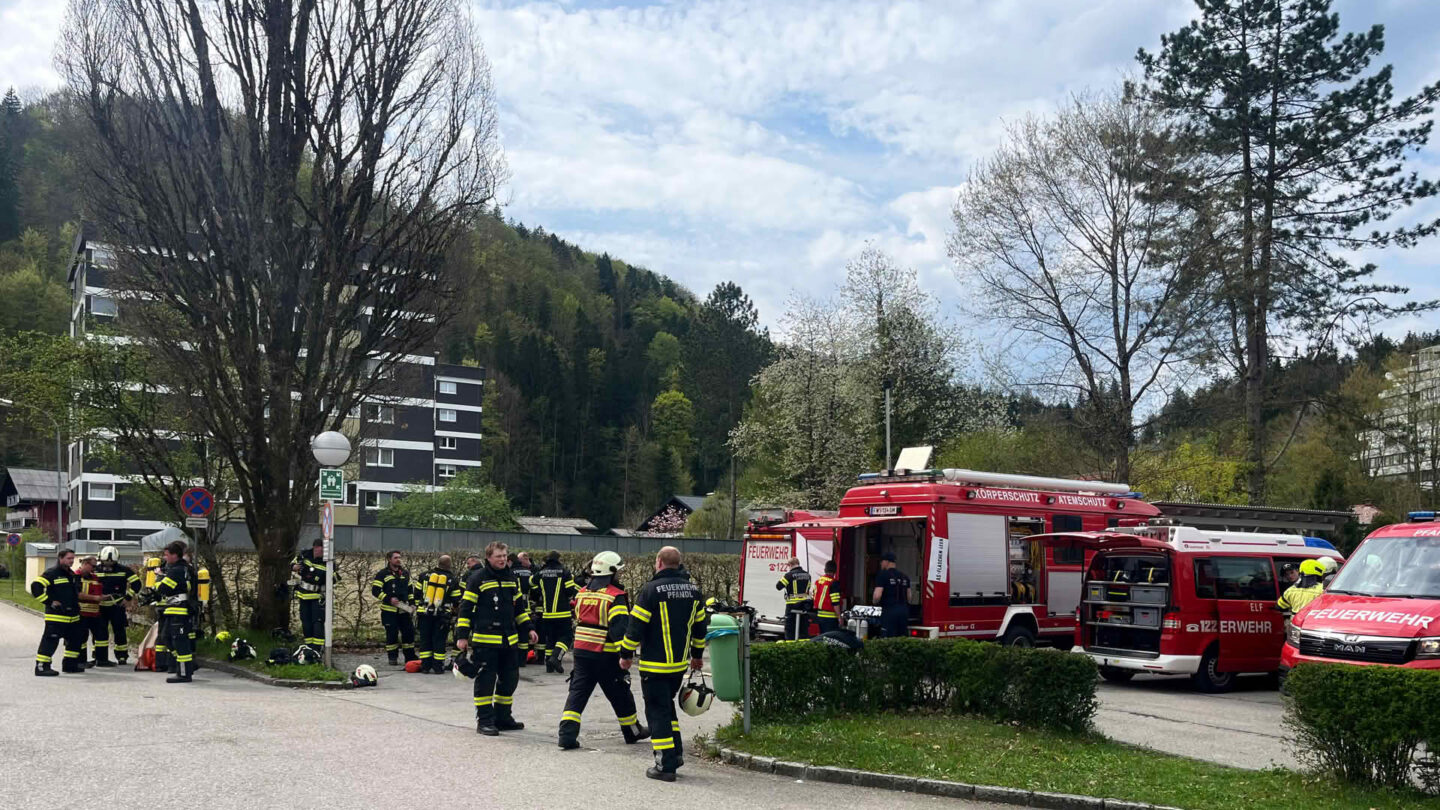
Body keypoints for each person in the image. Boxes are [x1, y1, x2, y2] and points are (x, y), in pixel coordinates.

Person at [619, 546, 708, 783]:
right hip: (678, 667)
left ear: (659, 562)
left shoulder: (651, 590)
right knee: (667, 709)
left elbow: (635, 626)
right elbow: (700, 629)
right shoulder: (694, 591)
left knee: (657, 713)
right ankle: (676, 754)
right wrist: (697, 655)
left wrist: (625, 654)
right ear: (679, 564)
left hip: (654, 666)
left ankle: (664, 765)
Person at [558, 551, 648, 750]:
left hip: (581, 651)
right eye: (620, 572)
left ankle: (566, 735)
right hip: (605, 654)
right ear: (612, 572)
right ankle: (632, 732)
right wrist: (625, 655)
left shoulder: (582, 592)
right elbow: (618, 629)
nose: (621, 576)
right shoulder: (615, 597)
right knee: (620, 693)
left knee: (577, 693)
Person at [455, 542, 538, 736]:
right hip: (486, 640)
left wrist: (529, 629)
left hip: (509, 640)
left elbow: (518, 609)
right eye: (498, 556)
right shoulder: (478, 578)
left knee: (510, 680)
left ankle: (502, 717)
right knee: (486, 681)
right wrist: (462, 636)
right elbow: (465, 609)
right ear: (489, 558)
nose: (502, 559)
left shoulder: (510, 577)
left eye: (504, 555)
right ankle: (484, 721)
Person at [32, 548, 83, 676]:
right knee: (50, 642)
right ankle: (42, 667)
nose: (72, 561)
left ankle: (70, 665)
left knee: (75, 641)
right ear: (60, 558)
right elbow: (36, 587)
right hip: (57, 617)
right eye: (69, 558)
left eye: (73, 558)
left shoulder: (71, 575)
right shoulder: (52, 573)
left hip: (73, 617)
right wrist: (49, 602)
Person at [156, 540, 196, 683]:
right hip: (175, 610)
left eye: (167, 555)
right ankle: (189, 666)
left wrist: (159, 575)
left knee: (180, 642)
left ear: (175, 555)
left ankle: (184, 673)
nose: (165, 558)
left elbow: (162, 589)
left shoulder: (177, 570)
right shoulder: (185, 568)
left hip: (180, 611)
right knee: (166, 637)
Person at [371, 550, 420, 665]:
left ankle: (410, 657)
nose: (398, 559)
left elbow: (410, 590)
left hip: (404, 610)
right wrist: (389, 599)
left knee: (408, 633)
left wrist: (412, 603)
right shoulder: (383, 574)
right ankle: (392, 658)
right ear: (389, 559)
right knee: (392, 635)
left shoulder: (405, 573)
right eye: (396, 557)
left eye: (399, 557)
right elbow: (375, 590)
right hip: (389, 611)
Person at [417, 555, 463, 673]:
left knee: (425, 640)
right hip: (442, 616)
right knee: (439, 640)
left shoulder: (423, 576)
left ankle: (425, 666)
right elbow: (456, 599)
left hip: (424, 613)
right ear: (449, 565)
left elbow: (416, 594)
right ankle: (438, 667)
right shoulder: (452, 579)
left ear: (438, 563)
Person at [95, 546, 140, 665]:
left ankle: (122, 656)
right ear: (100, 558)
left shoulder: (124, 570)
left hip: (117, 606)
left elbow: (137, 584)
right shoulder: (95, 569)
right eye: (106, 562)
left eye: (111, 562)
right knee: (100, 632)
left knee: (119, 631)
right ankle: (99, 656)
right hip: (99, 606)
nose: (108, 565)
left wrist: (128, 598)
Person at [535, 550, 577, 673]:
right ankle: (556, 658)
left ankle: (549, 665)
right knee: (566, 637)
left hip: (547, 613)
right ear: (558, 559)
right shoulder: (564, 572)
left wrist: (541, 591)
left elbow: (531, 582)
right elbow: (570, 590)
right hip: (562, 613)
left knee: (551, 638)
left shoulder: (541, 572)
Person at [291, 539, 333, 655]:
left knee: (317, 622)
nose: (323, 552)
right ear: (316, 547)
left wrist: (326, 579)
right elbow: (293, 564)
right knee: (306, 622)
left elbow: (335, 578)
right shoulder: (305, 555)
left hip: (317, 597)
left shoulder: (328, 561)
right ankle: (309, 647)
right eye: (321, 549)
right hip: (303, 596)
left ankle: (317, 648)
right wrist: (294, 567)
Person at [75, 556, 111, 667]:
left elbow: (96, 593)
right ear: (85, 564)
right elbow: (77, 594)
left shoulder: (95, 578)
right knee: (81, 637)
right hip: (81, 612)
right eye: (93, 566)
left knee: (102, 635)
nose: (95, 568)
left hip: (95, 612)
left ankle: (102, 660)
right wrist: (95, 598)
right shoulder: (75, 576)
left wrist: (104, 597)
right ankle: (81, 661)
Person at [872, 551, 911, 638]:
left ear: (886, 562)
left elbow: (877, 596)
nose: (881, 564)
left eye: (881, 562)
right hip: (904, 612)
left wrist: (874, 602)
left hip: (889, 611)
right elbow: (909, 597)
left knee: (888, 638)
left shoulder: (882, 575)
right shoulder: (905, 576)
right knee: (902, 638)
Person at [511, 551, 538, 667]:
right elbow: (535, 590)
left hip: (515, 607)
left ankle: (514, 659)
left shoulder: (510, 573)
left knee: (514, 634)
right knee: (523, 635)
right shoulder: (529, 572)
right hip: (526, 607)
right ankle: (522, 660)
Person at [776, 557, 812, 641]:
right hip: (804, 605)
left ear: (790, 565)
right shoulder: (808, 575)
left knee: (790, 628)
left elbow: (778, 586)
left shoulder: (789, 575)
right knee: (803, 628)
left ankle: (790, 647)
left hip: (792, 606)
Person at [813, 559, 842, 634]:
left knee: (821, 640)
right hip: (830, 618)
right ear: (835, 571)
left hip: (819, 616)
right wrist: (839, 617)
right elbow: (835, 602)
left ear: (825, 569)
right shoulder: (833, 583)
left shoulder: (818, 581)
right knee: (830, 640)